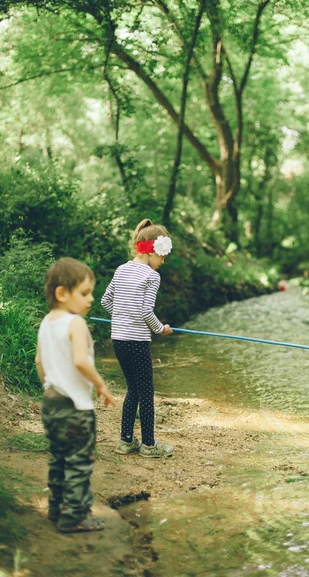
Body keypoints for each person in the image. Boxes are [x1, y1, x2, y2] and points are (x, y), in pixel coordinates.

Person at [35, 257, 115, 533]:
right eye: (84, 293)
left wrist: (51, 386)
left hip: (52, 402)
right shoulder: (75, 323)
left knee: (59, 457)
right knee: (79, 462)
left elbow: (39, 362)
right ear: (61, 293)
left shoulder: (46, 322)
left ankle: (56, 508)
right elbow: (81, 361)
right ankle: (75, 516)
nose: (91, 299)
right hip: (76, 407)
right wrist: (101, 384)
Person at [101, 218, 174, 458]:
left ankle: (126, 442)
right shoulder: (152, 277)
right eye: (163, 256)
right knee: (146, 392)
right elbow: (145, 312)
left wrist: (122, 318)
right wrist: (160, 329)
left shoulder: (121, 269)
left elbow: (106, 301)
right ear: (153, 250)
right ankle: (150, 446)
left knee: (133, 389)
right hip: (137, 342)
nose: (162, 262)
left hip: (118, 340)